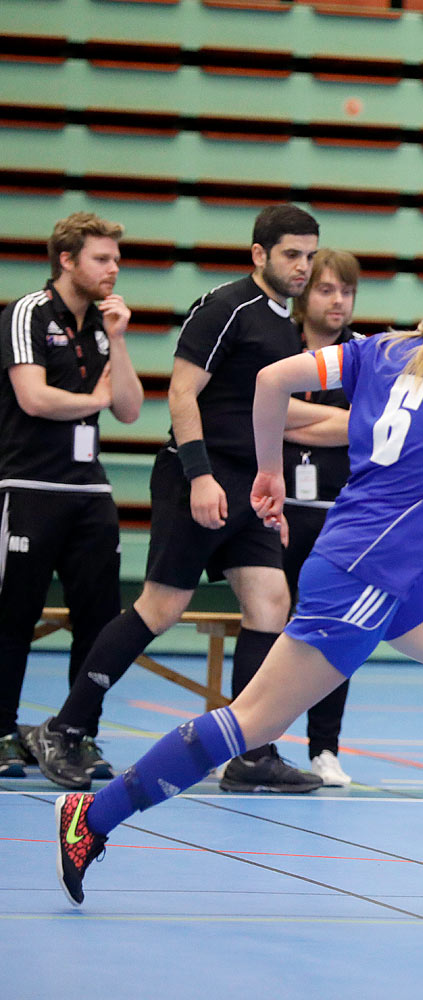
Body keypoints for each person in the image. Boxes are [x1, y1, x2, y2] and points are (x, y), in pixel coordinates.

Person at [50, 251, 423, 905]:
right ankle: (91, 819)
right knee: (253, 721)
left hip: (400, 567)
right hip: (363, 573)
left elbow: (273, 379)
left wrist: (269, 470)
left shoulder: (382, 349)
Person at [26, 204, 337, 794]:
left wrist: (364, 423)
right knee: (161, 608)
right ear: (259, 255)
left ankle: (251, 752)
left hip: (247, 489)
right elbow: (182, 393)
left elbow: (282, 416)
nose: (303, 267)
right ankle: (65, 728)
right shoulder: (225, 307)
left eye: (309, 255)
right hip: (195, 477)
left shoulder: (281, 325)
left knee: (271, 604)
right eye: (292, 255)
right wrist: (199, 476)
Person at [0, 212, 144, 780]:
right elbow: (33, 398)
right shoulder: (26, 314)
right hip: (29, 484)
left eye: (115, 259)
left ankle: (76, 733)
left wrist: (122, 341)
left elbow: (129, 409)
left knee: (98, 619)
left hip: (89, 489)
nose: (113, 269)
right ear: (67, 260)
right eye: (101, 259)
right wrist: (94, 399)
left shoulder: (106, 325)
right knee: (14, 614)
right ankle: (4, 729)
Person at [281, 249, 362, 787]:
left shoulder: (361, 356)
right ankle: (255, 743)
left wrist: (293, 420)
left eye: (347, 292)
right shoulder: (277, 346)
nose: (338, 301)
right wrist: (335, 420)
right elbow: (258, 412)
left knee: (338, 630)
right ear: (304, 293)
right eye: (327, 290)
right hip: (277, 510)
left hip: (339, 512)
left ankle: (324, 746)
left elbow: (366, 426)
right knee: (273, 624)